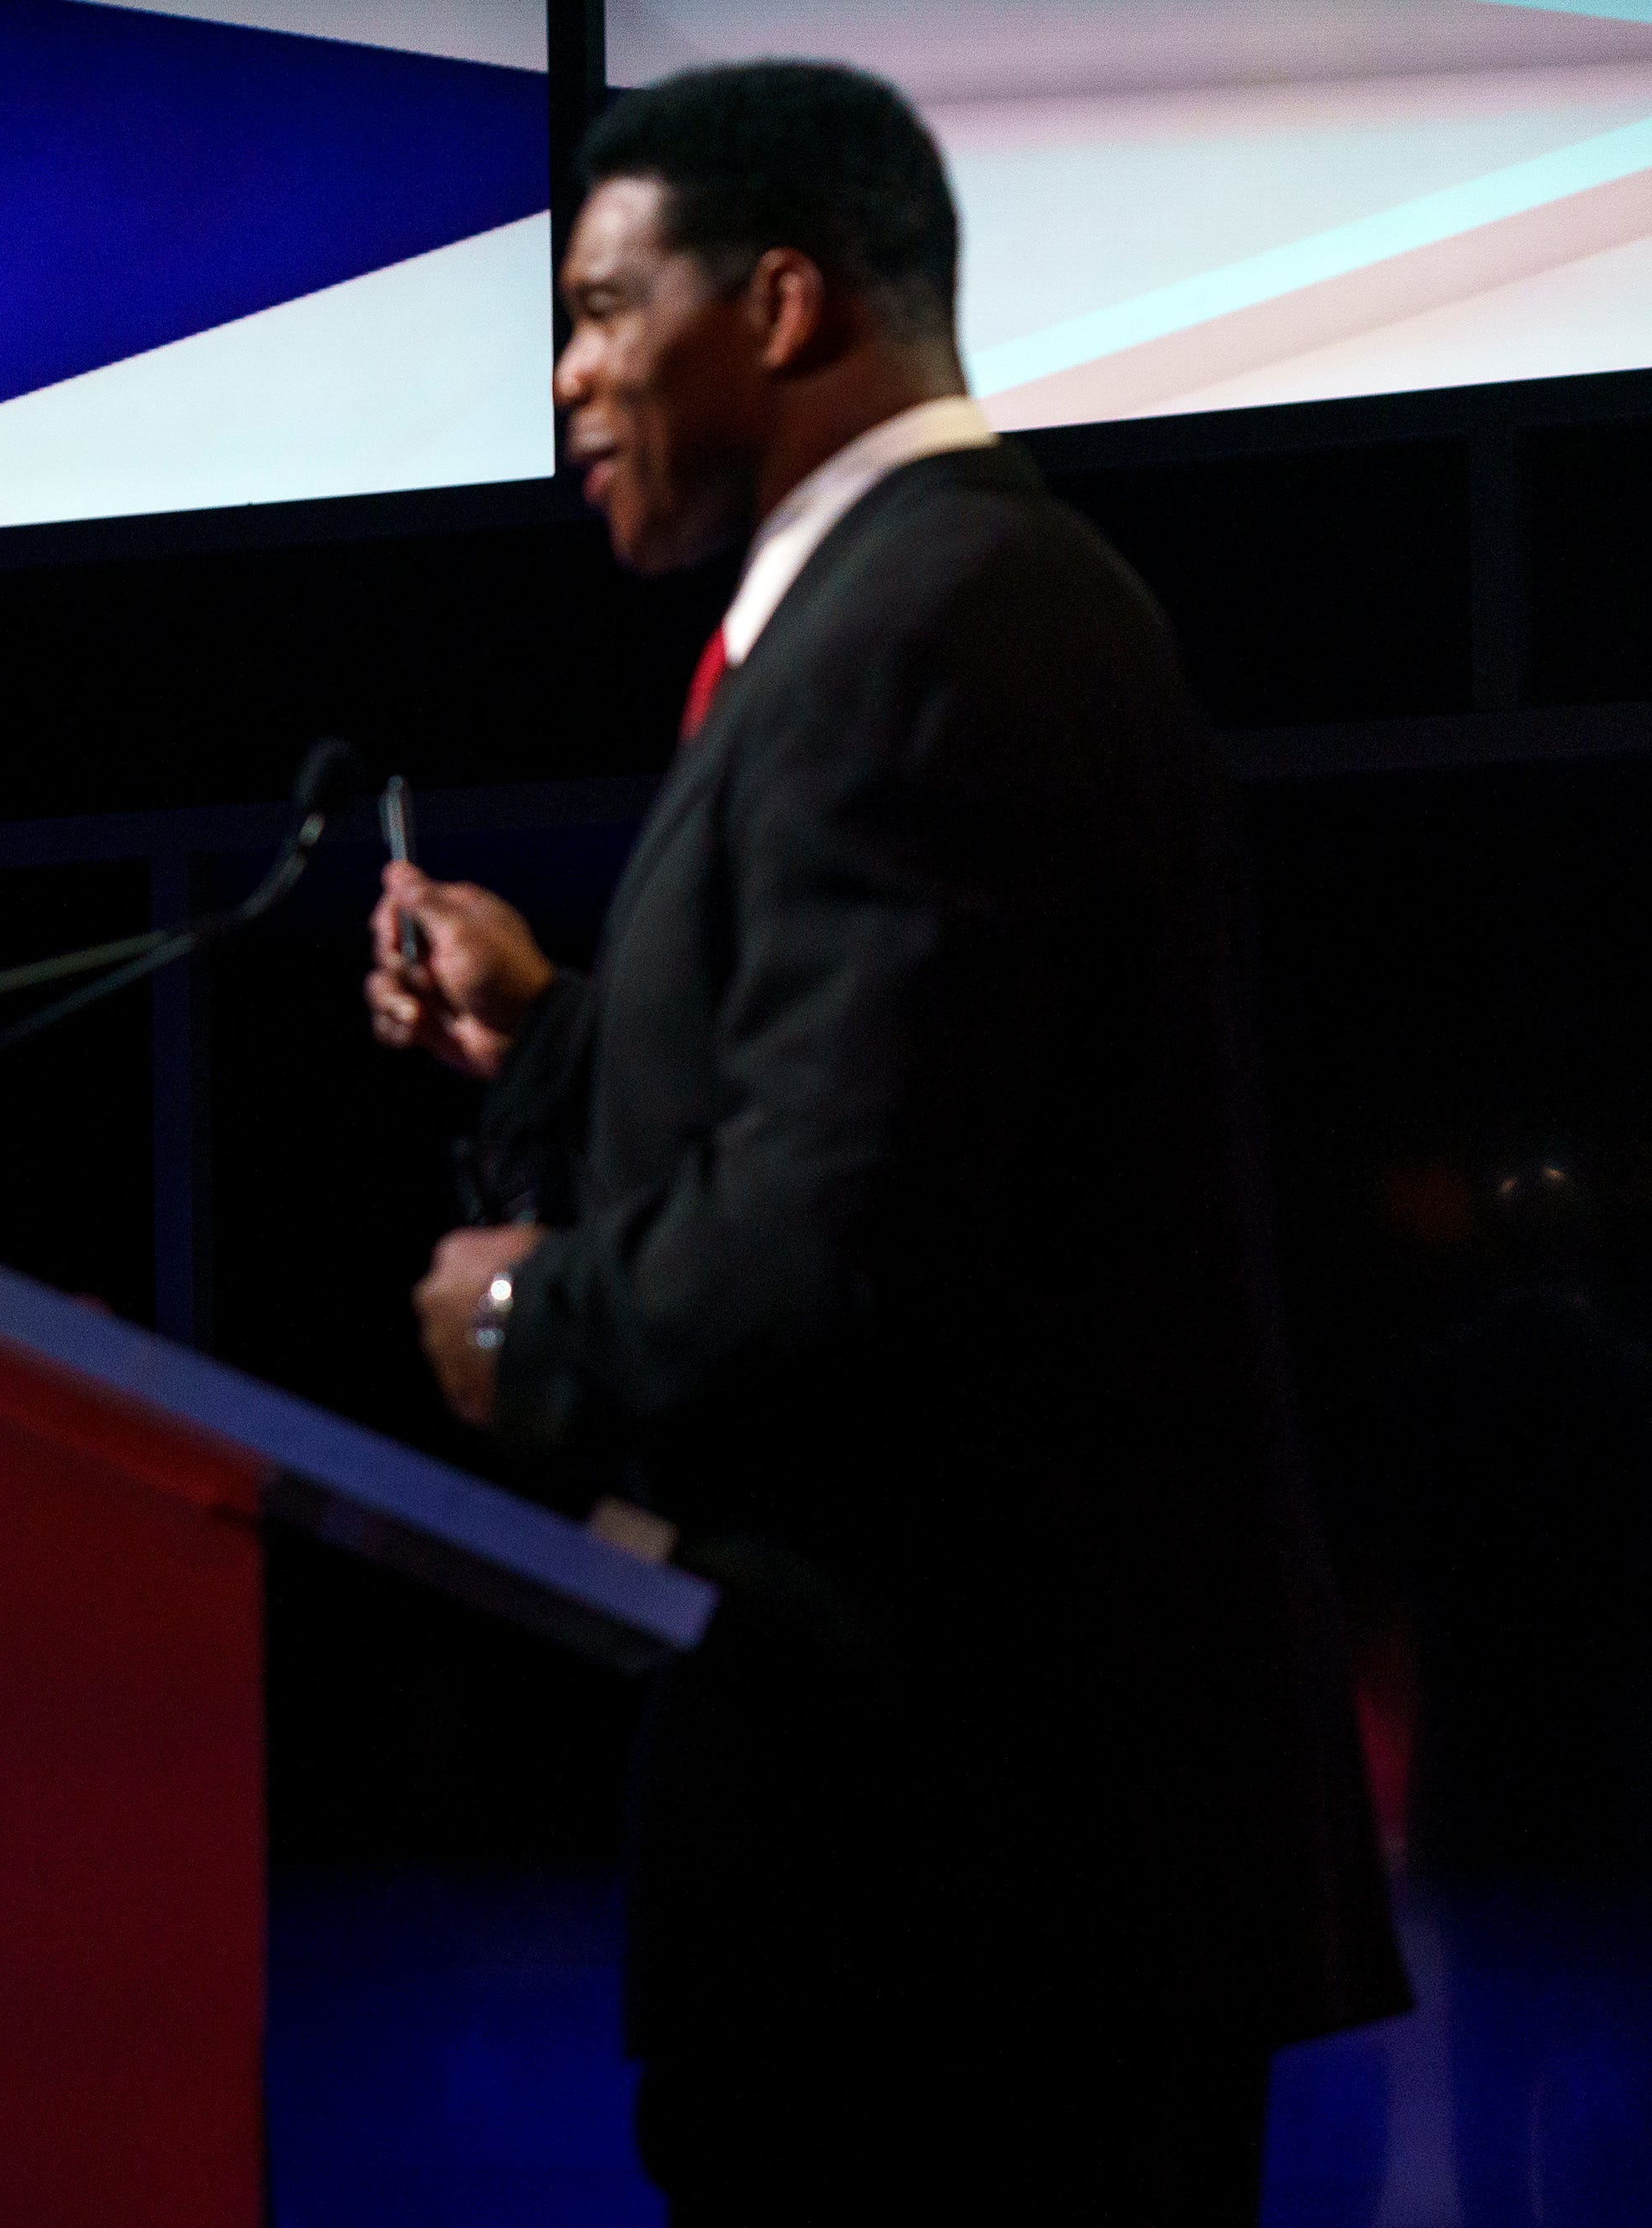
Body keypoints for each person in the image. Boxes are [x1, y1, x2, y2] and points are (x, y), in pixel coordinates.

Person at [365, 63, 1405, 2224]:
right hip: (929, 1882)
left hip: (973, 1910)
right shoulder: (900, 616)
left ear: (782, 301)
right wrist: (551, 1038)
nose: (559, 378)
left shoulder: (940, 622)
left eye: (595, 311)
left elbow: (854, 1243)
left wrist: (539, 1308)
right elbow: (866, 1109)